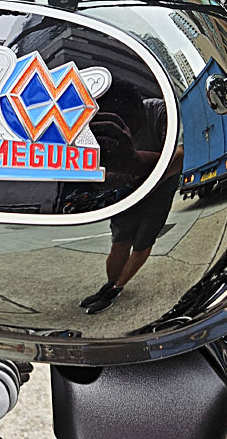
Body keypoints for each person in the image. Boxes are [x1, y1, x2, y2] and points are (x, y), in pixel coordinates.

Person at [80, 82, 183, 314]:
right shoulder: (101, 128)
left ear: (139, 109)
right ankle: (108, 285)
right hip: (128, 187)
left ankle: (117, 288)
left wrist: (136, 162)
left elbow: (180, 155)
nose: (128, 132)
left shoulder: (160, 112)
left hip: (160, 189)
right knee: (119, 242)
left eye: (130, 124)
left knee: (143, 241)